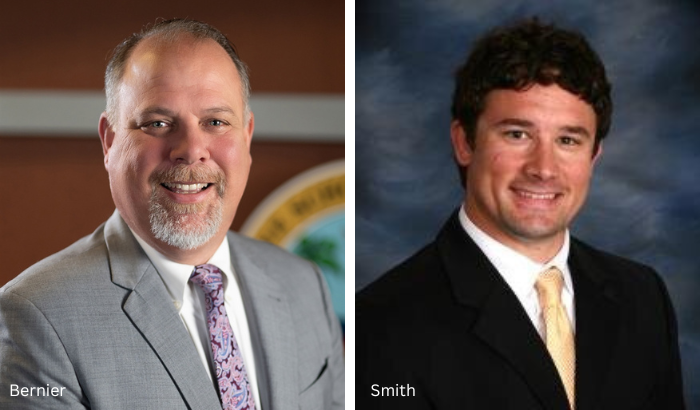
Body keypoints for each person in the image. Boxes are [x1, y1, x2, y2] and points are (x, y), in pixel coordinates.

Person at [0, 19, 344, 409]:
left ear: (246, 137)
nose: (191, 148)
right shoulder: (36, 317)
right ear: (110, 141)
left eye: (215, 122)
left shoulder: (305, 286)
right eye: (158, 123)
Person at [356, 18, 685, 410]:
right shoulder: (383, 324)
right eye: (517, 134)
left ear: (594, 156)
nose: (543, 168)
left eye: (567, 140)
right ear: (464, 142)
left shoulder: (643, 298)